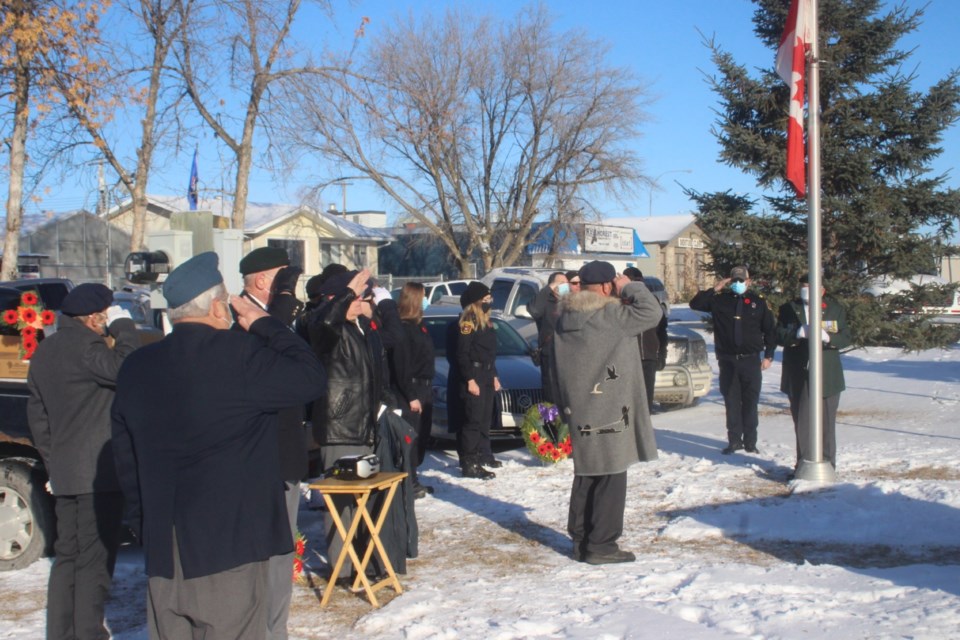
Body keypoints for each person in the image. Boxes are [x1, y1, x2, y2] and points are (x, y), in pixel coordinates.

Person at [111, 252, 326, 640]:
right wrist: (264, 323)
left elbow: (125, 458)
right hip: (230, 546)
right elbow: (310, 377)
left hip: (165, 550)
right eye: (226, 300)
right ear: (215, 306)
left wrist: (146, 525)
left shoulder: (137, 367)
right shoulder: (240, 355)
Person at [27, 283, 139, 640]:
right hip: (96, 476)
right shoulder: (86, 349)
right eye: (104, 317)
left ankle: (61, 633)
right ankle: (88, 633)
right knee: (93, 563)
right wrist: (125, 329)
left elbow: (38, 418)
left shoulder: (45, 352)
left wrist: (52, 463)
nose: (106, 322)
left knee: (67, 559)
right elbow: (126, 368)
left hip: (65, 473)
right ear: (92, 318)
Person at [553, 261, 662, 564]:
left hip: (580, 405)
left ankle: (581, 540)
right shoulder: (610, 315)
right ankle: (601, 545)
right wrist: (629, 285)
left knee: (587, 473)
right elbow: (653, 312)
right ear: (605, 287)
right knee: (612, 476)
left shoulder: (565, 315)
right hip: (611, 406)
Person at [238, 246, 306, 640]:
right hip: (262, 456)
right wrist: (280, 309)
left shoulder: (277, 318)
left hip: (285, 452)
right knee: (266, 556)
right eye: (283, 277)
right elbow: (261, 359)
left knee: (282, 554)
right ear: (263, 280)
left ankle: (274, 629)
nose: (290, 286)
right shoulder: (243, 318)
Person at [308, 268, 388, 578]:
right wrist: (346, 293)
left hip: (363, 424)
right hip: (340, 426)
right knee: (341, 503)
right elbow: (323, 322)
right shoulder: (328, 327)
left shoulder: (359, 327)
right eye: (358, 296)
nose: (363, 300)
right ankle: (342, 568)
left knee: (362, 500)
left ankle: (363, 560)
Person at [689, 266, 777, 455]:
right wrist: (716, 288)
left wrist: (769, 355)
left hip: (751, 360)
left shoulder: (758, 303)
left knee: (750, 402)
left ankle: (751, 442)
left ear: (748, 281)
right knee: (731, 401)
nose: (738, 284)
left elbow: (769, 330)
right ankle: (734, 441)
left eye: (741, 280)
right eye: (735, 280)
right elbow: (695, 304)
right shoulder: (720, 300)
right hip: (728, 360)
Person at [775, 274, 851, 471]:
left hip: (828, 373)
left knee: (826, 423)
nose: (806, 289)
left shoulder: (835, 309)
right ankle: (803, 464)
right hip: (799, 372)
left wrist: (829, 338)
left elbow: (846, 337)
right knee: (802, 422)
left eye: (811, 286)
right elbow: (779, 335)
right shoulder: (789, 309)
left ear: (822, 290)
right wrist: (797, 334)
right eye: (804, 286)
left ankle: (827, 464)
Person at [392, 282, 436, 498]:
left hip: (425, 386)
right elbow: (403, 365)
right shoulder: (404, 328)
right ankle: (409, 481)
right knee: (410, 438)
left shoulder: (419, 325)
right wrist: (411, 396)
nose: (427, 301)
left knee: (421, 438)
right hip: (412, 388)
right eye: (424, 297)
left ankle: (414, 477)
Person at [455, 281, 501, 480]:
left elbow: (488, 354)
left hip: (487, 374)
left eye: (489, 298)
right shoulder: (468, 321)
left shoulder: (487, 321)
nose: (489, 302)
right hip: (474, 375)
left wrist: (494, 375)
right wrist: (470, 379)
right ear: (476, 301)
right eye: (485, 299)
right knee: (472, 421)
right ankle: (469, 462)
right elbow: (462, 354)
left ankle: (483, 454)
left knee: (483, 419)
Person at [623, 267, 668, 410]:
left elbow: (662, 330)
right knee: (628, 401)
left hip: (649, 357)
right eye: (632, 281)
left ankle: (645, 427)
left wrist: (661, 353)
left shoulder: (652, 301)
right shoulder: (620, 302)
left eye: (638, 281)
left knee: (646, 401)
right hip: (628, 358)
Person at [526, 271, 568, 404]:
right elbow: (534, 309)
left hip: (568, 353)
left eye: (565, 283)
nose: (564, 286)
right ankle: (552, 421)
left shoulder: (571, 302)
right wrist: (548, 289)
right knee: (551, 394)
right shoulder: (546, 301)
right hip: (550, 353)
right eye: (560, 283)